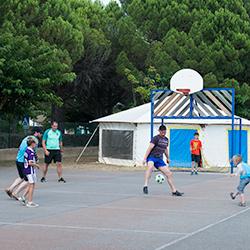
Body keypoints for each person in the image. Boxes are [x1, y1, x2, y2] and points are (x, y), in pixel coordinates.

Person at [143, 125, 183, 196]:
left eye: (164, 131)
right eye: (161, 131)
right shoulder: (155, 138)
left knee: (169, 174)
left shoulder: (166, 140)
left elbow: (165, 149)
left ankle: (174, 191)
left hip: (159, 159)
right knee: (150, 167)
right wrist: (145, 158)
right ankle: (145, 185)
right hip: (152, 157)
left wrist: (168, 158)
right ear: (159, 131)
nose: (163, 132)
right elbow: (149, 148)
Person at [5, 127, 42, 200]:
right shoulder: (34, 140)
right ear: (36, 133)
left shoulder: (26, 138)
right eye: (40, 133)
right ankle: (15, 193)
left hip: (18, 160)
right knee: (28, 180)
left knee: (22, 177)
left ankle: (10, 189)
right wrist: (35, 161)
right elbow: (33, 152)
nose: (41, 135)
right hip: (24, 162)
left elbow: (19, 148)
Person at [23, 138, 40, 207]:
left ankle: (24, 197)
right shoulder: (30, 152)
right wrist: (36, 165)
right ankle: (29, 202)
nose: (35, 145)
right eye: (35, 143)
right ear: (32, 144)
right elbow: (30, 163)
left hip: (28, 170)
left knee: (31, 185)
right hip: (30, 170)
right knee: (31, 185)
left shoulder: (27, 150)